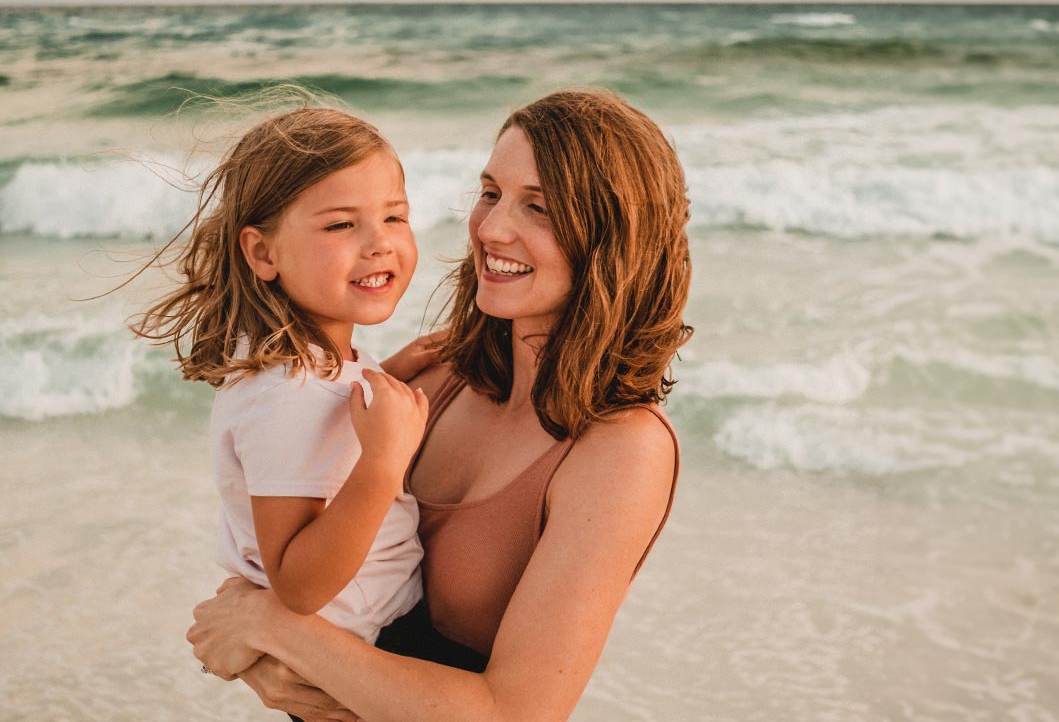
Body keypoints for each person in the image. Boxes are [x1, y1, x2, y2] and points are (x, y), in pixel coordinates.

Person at [188, 89, 693, 722]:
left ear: (611, 240)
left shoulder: (623, 449)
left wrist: (276, 632)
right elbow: (285, 548)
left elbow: (515, 714)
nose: (490, 228)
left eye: (537, 207)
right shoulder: (434, 376)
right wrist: (258, 657)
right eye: (490, 193)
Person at [133, 107, 429, 647]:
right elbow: (296, 585)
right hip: (364, 648)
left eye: (394, 217)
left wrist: (390, 371)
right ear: (263, 252)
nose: (380, 242)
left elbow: (324, 439)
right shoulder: (286, 394)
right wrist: (383, 466)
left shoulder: (311, 362)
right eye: (341, 224)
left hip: (369, 630)